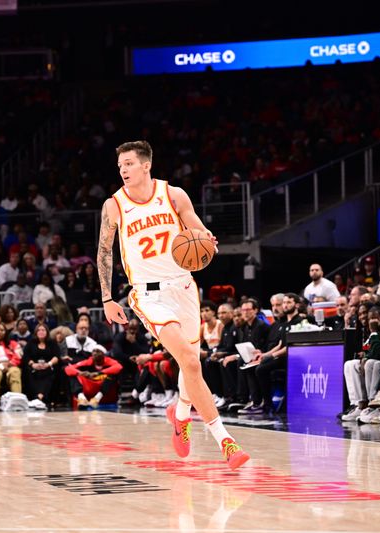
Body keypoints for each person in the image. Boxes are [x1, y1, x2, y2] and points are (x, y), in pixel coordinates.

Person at [97, 140, 249, 469]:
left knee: (189, 362)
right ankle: (225, 440)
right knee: (192, 365)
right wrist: (107, 298)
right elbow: (104, 252)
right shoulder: (115, 206)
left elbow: (196, 226)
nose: (122, 169)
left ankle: (180, 414)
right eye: (120, 165)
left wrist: (205, 237)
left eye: (128, 163)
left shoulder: (174, 195)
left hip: (184, 288)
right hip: (148, 295)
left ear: (145, 165)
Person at [22, 323, 60, 407]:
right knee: (29, 372)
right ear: (36, 332)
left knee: (49, 374)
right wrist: (33, 364)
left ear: (47, 332)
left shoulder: (52, 343)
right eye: (39, 330)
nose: (41, 332)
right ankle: (36, 397)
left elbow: (57, 357)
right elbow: (26, 357)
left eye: (43, 330)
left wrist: (49, 364)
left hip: (48, 366)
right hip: (34, 367)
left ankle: (42, 397)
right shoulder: (31, 343)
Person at [0, 323, 23, 408]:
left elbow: (19, 356)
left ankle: (16, 399)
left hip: (11, 365)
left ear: (6, 332)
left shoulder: (13, 343)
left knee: (15, 372)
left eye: (2, 330)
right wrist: (0, 366)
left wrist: (10, 364)